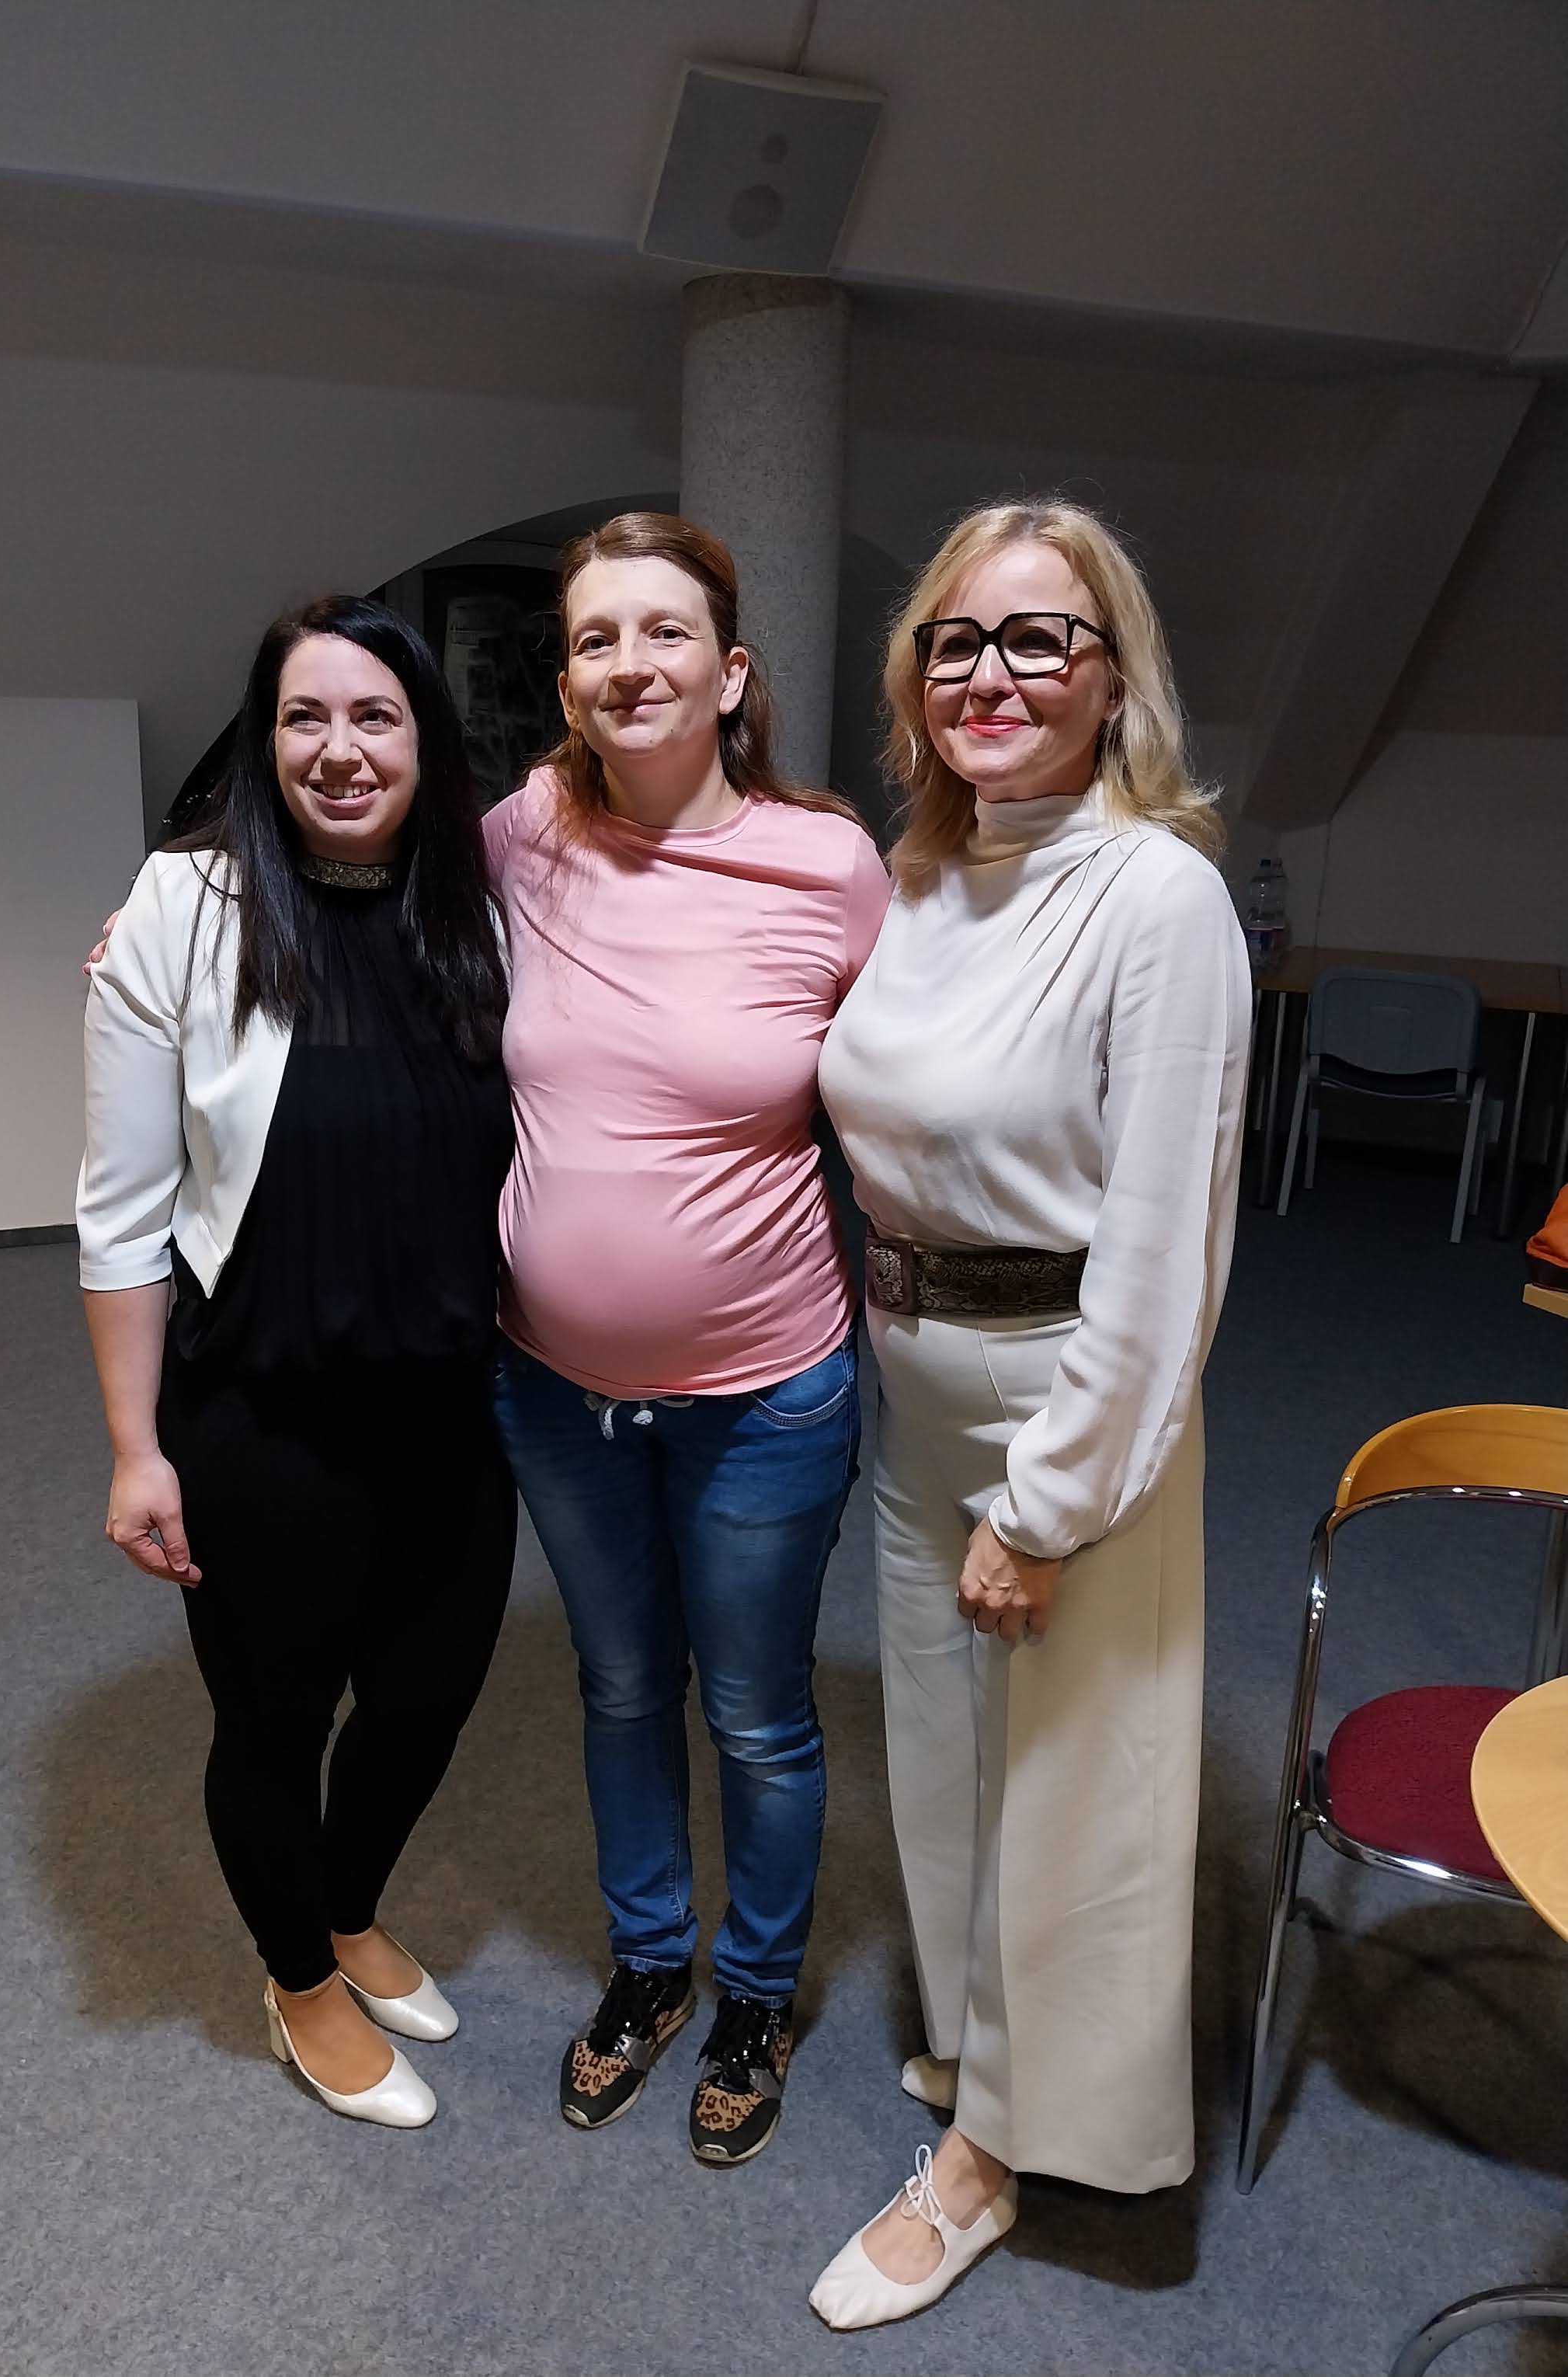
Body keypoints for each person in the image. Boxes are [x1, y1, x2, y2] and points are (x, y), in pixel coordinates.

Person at [811, 498, 1250, 2324]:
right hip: (912, 1381)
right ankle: (987, 2044)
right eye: (954, 641)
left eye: (1037, 638)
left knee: (1073, 1789)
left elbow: (1159, 1249)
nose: (987, 674)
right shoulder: (919, 872)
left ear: (1111, 676)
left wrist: (1048, 1499)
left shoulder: (1156, 896)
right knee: (942, 1759)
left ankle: (995, 2157)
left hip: (1059, 1402)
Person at [77, 594, 515, 2129]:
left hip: (449, 1405)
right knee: (274, 1722)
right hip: (264, 1412)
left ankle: (346, 1906)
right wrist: (136, 1446)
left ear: (425, 740)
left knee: (424, 1702)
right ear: (261, 742)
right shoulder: (185, 907)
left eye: (375, 717)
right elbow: (121, 1209)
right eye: (303, 718)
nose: (339, 750)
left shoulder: (477, 908)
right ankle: (299, 1981)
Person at [487, 512, 892, 2166]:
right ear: (566, 685)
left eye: (662, 632)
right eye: (594, 638)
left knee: (755, 1715)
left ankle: (755, 1995)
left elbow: (926, 1079)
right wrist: (170, 926)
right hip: (552, 1390)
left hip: (766, 1394)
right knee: (615, 1686)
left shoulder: (826, 864)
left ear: (729, 675)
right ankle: (650, 1965)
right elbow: (344, 881)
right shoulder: (525, 835)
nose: (627, 663)